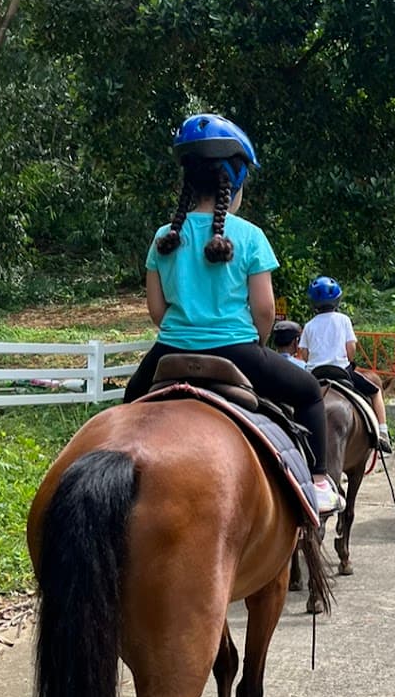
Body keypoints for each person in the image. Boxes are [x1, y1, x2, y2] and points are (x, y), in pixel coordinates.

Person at [122, 112, 342, 515]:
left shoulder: (162, 237)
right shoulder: (250, 236)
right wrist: (257, 342)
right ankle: (319, 479)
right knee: (309, 392)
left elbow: (157, 311)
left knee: (128, 405)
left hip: (168, 353)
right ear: (235, 179)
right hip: (236, 351)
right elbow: (264, 309)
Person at [298, 276, 392, 454]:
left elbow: (304, 353)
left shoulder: (309, 325)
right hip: (341, 371)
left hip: (315, 374)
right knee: (375, 391)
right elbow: (351, 349)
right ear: (337, 299)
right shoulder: (343, 320)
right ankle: (382, 433)